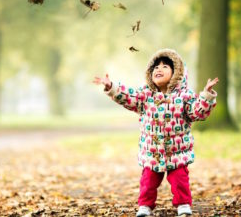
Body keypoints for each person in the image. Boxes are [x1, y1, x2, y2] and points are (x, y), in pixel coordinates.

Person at [93, 49, 218, 216]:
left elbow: (197, 112)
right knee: (148, 182)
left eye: (165, 66)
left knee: (180, 180)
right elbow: (129, 97)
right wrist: (112, 87)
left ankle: (183, 205)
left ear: (177, 74)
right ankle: (145, 206)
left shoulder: (185, 96)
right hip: (152, 152)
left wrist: (207, 96)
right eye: (156, 67)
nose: (159, 69)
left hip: (177, 151)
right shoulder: (146, 95)